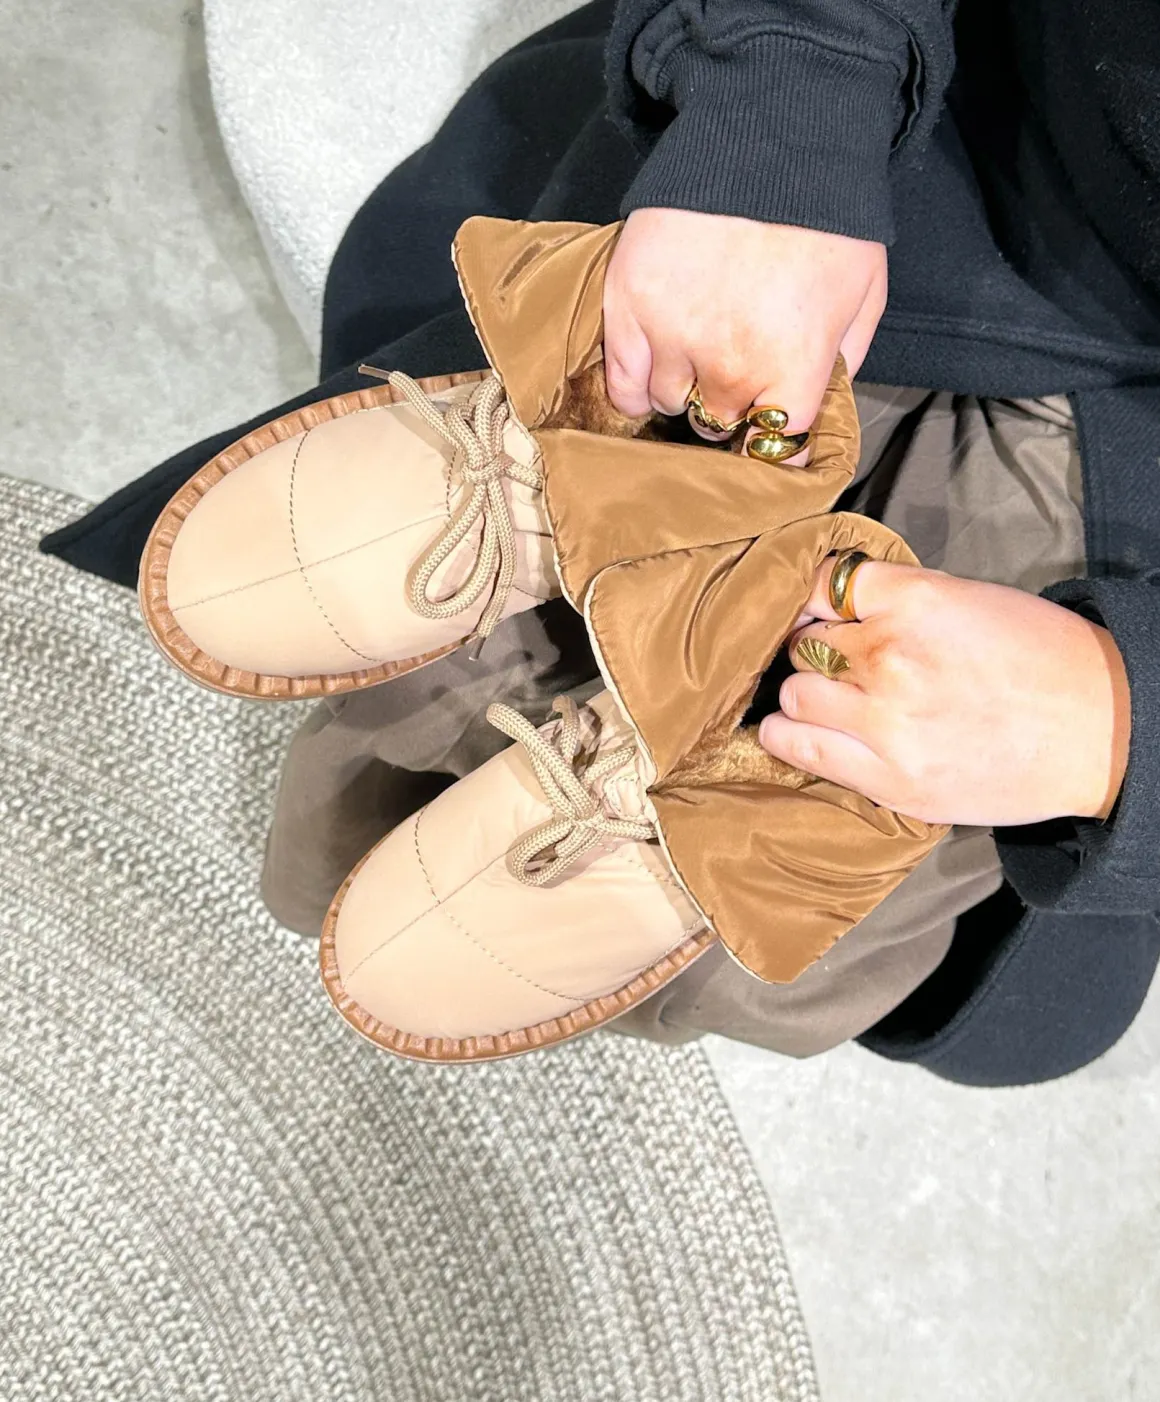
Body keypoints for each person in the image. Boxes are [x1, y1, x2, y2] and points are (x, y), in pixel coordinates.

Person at [45, 0, 1160, 1083]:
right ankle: (592, 486)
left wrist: (1122, 719)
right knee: (573, 488)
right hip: (990, 143)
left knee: (849, 822)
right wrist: (788, 113)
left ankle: (688, 730)